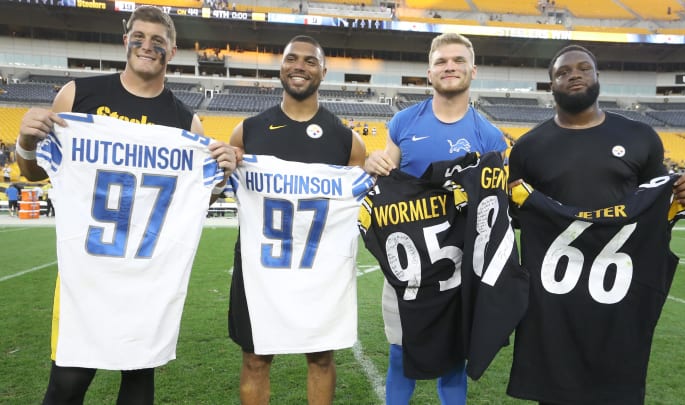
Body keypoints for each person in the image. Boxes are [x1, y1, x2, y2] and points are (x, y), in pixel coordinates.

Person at [15, 6, 237, 405]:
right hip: (87, 274)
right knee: (66, 383)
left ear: (171, 50)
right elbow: (33, 174)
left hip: (148, 277)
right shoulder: (78, 94)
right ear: (126, 41)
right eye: (139, 37)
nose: (147, 46)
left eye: (157, 41)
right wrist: (26, 144)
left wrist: (219, 178)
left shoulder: (187, 125)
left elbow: (195, 204)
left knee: (138, 383)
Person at [506, 45, 685, 404]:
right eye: (563, 72)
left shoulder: (640, 136)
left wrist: (683, 193)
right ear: (551, 85)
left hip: (618, 286)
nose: (574, 74)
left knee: (617, 387)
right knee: (556, 390)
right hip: (554, 294)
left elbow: (655, 206)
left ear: (598, 77)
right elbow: (520, 220)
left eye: (584, 68)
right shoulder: (528, 149)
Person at [364, 32, 508, 405]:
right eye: (442, 61)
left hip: (460, 267)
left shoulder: (490, 137)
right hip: (408, 264)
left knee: (453, 361)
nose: (450, 67)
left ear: (472, 71)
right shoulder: (403, 123)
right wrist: (373, 163)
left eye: (458, 60)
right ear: (429, 72)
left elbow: (495, 205)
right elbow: (385, 184)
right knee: (399, 353)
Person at [227, 35, 366, 405]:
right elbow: (217, 189)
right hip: (260, 268)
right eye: (292, 59)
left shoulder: (346, 141)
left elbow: (362, 204)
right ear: (281, 66)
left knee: (321, 357)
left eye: (309, 61)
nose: (299, 67)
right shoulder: (248, 131)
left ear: (323, 70)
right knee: (256, 358)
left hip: (319, 270)